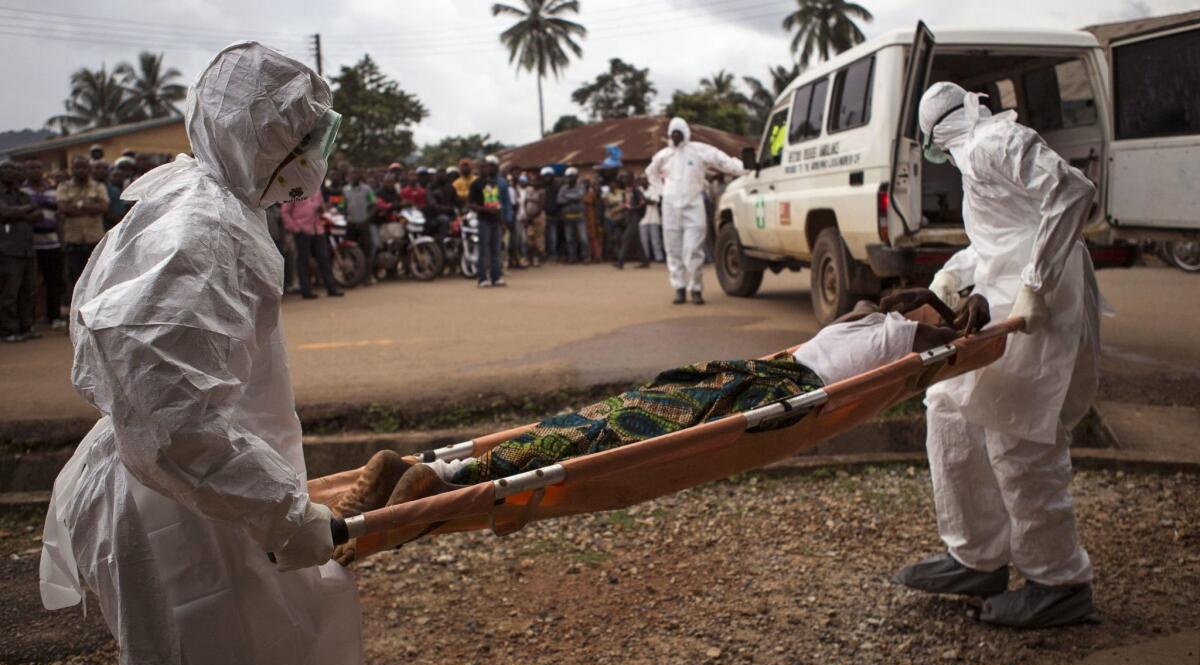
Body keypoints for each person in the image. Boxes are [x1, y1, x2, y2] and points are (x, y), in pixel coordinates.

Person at [37, 42, 364, 665]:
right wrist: (282, 514)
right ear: (261, 139)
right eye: (303, 139)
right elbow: (172, 419)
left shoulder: (211, 205)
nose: (313, 160)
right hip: (179, 510)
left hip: (204, 494)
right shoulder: (201, 232)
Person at [325, 288, 984, 563]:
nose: (933, 308)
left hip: (743, 374)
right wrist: (963, 314)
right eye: (928, 301)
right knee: (611, 440)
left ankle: (437, 471)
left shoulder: (866, 320)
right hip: (767, 388)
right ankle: (447, 478)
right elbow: (961, 330)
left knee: (598, 426)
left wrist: (945, 315)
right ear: (913, 305)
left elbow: (948, 329)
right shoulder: (902, 329)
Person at [892, 82, 1102, 629]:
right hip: (1013, 295)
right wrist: (951, 276)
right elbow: (1002, 236)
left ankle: (1059, 583)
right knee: (949, 408)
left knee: (1020, 437)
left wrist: (1036, 282)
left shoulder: (992, 142)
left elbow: (1073, 191)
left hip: (1041, 305)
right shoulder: (976, 155)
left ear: (937, 133)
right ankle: (977, 555)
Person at [647, 117, 748, 305]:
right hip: (670, 206)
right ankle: (679, 287)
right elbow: (650, 173)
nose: (675, 137)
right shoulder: (663, 155)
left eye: (679, 133)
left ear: (685, 134)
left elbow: (722, 161)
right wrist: (659, 192)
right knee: (673, 249)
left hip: (693, 205)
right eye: (673, 134)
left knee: (693, 249)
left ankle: (696, 288)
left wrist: (746, 168)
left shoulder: (698, 150)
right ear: (669, 135)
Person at [55, 156, 109, 297]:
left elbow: (103, 208)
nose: (81, 170)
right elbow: (63, 209)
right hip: (73, 241)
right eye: (77, 167)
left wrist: (78, 205)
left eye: (84, 167)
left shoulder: (98, 186)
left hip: (95, 241)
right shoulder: (64, 186)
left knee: (96, 278)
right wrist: (91, 207)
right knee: (75, 278)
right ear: (72, 170)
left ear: (89, 169)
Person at [0, 160, 42, 342]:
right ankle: (9, 330)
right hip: (8, 250)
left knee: (28, 290)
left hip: (27, 249)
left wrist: (16, 213)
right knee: (9, 293)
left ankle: (26, 327)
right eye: (6, 169)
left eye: (15, 169)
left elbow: (38, 215)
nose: (12, 172)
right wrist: (25, 212)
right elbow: (4, 213)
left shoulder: (22, 195)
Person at [22, 160, 66, 329]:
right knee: (30, 284)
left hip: (52, 243)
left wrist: (61, 241)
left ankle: (54, 316)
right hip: (30, 245)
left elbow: (59, 218)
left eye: (38, 167)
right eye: (31, 167)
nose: (35, 170)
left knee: (53, 282)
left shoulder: (52, 191)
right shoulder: (21, 191)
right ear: (26, 171)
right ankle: (31, 319)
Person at [283, 191, 342, 299]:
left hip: (318, 229)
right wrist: (295, 228)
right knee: (303, 261)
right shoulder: (293, 190)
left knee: (324, 259)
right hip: (302, 230)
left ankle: (332, 288)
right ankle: (306, 291)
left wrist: (322, 208)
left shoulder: (316, 189)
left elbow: (322, 208)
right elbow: (285, 212)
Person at [469, 156, 505, 288]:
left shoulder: (494, 183)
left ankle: (496, 276)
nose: (488, 168)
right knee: (484, 250)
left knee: (496, 250)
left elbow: (496, 201)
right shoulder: (476, 184)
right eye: (485, 166)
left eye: (490, 166)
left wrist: (499, 213)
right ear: (480, 169)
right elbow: (471, 204)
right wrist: (485, 210)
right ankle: (482, 278)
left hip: (495, 219)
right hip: (484, 220)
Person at [342, 168, 377, 283]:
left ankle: (367, 277)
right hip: (351, 224)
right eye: (352, 173)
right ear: (349, 176)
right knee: (349, 250)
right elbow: (342, 205)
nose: (354, 175)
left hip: (363, 223)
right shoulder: (345, 189)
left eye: (357, 173)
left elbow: (374, 205)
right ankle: (351, 277)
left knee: (367, 250)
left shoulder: (367, 189)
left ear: (360, 175)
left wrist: (367, 219)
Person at [615, 171, 649, 269]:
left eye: (626, 178)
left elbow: (643, 203)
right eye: (623, 178)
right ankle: (644, 261)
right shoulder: (626, 190)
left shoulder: (636, 190)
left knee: (626, 239)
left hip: (634, 217)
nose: (623, 180)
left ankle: (620, 262)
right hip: (629, 217)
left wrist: (632, 208)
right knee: (637, 241)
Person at [556, 167, 587, 263]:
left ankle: (585, 257)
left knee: (583, 238)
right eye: (568, 177)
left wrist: (567, 197)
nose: (570, 179)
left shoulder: (580, 186)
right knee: (569, 239)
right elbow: (559, 200)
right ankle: (572, 258)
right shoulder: (563, 188)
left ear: (576, 177)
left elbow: (579, 196)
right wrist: (572, 198)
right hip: (568, 217)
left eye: (572, 177)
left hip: (579, 216)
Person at [522, 170, 548, 266]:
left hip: (538, 217)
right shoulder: (528, 190)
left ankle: (538, 258)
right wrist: (527, 215)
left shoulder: (541, 192)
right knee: (529, 238)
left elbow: (541, 206)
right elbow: (525, 202)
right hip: (529, 217)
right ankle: (530, 258)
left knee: (538, 238)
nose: (534, 183)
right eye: (532, 181)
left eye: (536, 181)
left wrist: (532, 217)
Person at [638, 174, 665, 263]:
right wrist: (645, 201)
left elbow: (654, 202)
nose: (643, 182)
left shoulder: (654, 190)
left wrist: (644, 200)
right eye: (641, 180)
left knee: (655, 240)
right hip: (642, 219)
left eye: (645, 180)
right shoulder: (638, 190)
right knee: (644, 240)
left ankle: (659, 257)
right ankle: (646, 258)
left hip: (654, 218)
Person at [542, 167, 562, 262]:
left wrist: (556, 212)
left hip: (554, 215)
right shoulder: (543, 188)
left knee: (553, 236)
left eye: (548, 176)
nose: (547, 178)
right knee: (545, 236)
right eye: (545, 176)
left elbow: (558, 202)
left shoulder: (556, 188)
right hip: (543, 215)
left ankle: (553, 254)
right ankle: (547, 253)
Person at [583, 179, 603, 262]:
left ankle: (597, 256)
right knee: (585, 238)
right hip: (583, 217)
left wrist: (597, 218)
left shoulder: (592, 194)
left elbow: (595, 205)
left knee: (594, 237)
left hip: (592, 217)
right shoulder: (581, 193)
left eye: (587, 183)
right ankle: (589, 256)